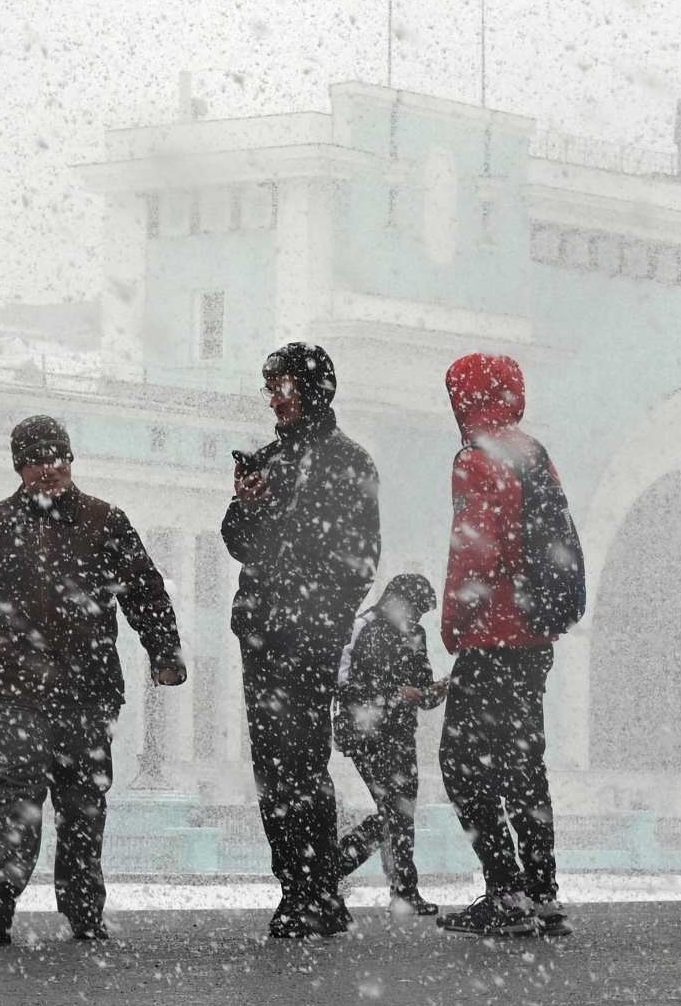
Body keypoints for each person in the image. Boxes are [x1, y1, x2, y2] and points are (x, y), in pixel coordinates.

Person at [0, 415, 186, 946]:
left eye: (56, 457)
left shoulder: (105, 521)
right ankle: (0, 895)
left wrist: (165, 652)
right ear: (18, 467)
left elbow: (146, 591)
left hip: (88, 691)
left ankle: (83, 905)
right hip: (15, 692)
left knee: (83, 801)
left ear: (70, 460)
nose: (48, 469)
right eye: (35, 460)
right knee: (18, 792)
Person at [223, 343, 381, 939]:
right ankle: (301, 889)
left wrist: (323, 621)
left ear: (312, 391)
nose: (273, 399)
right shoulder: (268, 459)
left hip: (307, 640)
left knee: (303, 763)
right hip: (263, 636)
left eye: (283, 387)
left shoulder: (349, 462)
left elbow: (362, 559)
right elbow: (238, 542)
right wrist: (247, 506)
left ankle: (313, 891)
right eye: (269, 388)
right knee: (273, 767)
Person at [437, 352, 574, 938]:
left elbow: (475, 549)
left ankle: (505, 893)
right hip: (534, 636)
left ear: (463, 398)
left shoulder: (478, 457)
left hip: (492, 635)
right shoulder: (534, 453)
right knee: (523, 764)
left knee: (462, 763)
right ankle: (542, 894)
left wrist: (453, 621)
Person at [333, 573, 449, 916]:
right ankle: (337, 871)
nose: (417, 618)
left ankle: (397, 889)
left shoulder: (416, 634)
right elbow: (341, 683)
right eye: (416, 609)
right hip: (365, 734)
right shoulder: (361, 626)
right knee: (394, 812)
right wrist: (394, 693)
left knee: (399, 813)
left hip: (400, 734)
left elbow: (422, 690)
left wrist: (435, 692)